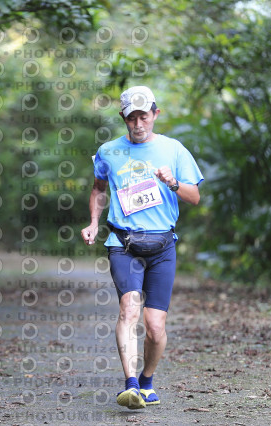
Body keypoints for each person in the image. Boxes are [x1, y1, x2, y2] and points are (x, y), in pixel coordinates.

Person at [81, 86, 203, 409]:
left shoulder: (174, 150)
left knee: (155, 327)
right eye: (131, 118)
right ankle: (131, 385)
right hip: (123, 244)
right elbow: (98, 189)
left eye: (144, 117)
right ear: (123, 118)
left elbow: (194, 197)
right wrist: (93, 222)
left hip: (162, 246)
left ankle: (147, 381)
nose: (138, 124)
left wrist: (172, 183)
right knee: (129, 309)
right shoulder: (108, 151)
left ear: (155, 114)